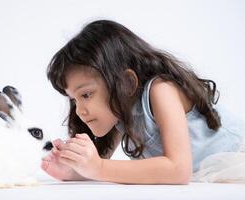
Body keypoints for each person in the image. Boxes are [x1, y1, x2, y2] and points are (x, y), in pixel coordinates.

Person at [41, 20, 245, 184]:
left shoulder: (161, 90)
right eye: (74, 100)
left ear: (127, 83)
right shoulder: (119, 112)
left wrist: (98, 168)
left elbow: (178, 169)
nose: (79, 111)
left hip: (236, 156)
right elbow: (100, 166)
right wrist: (74, 168)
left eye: (85, 95)